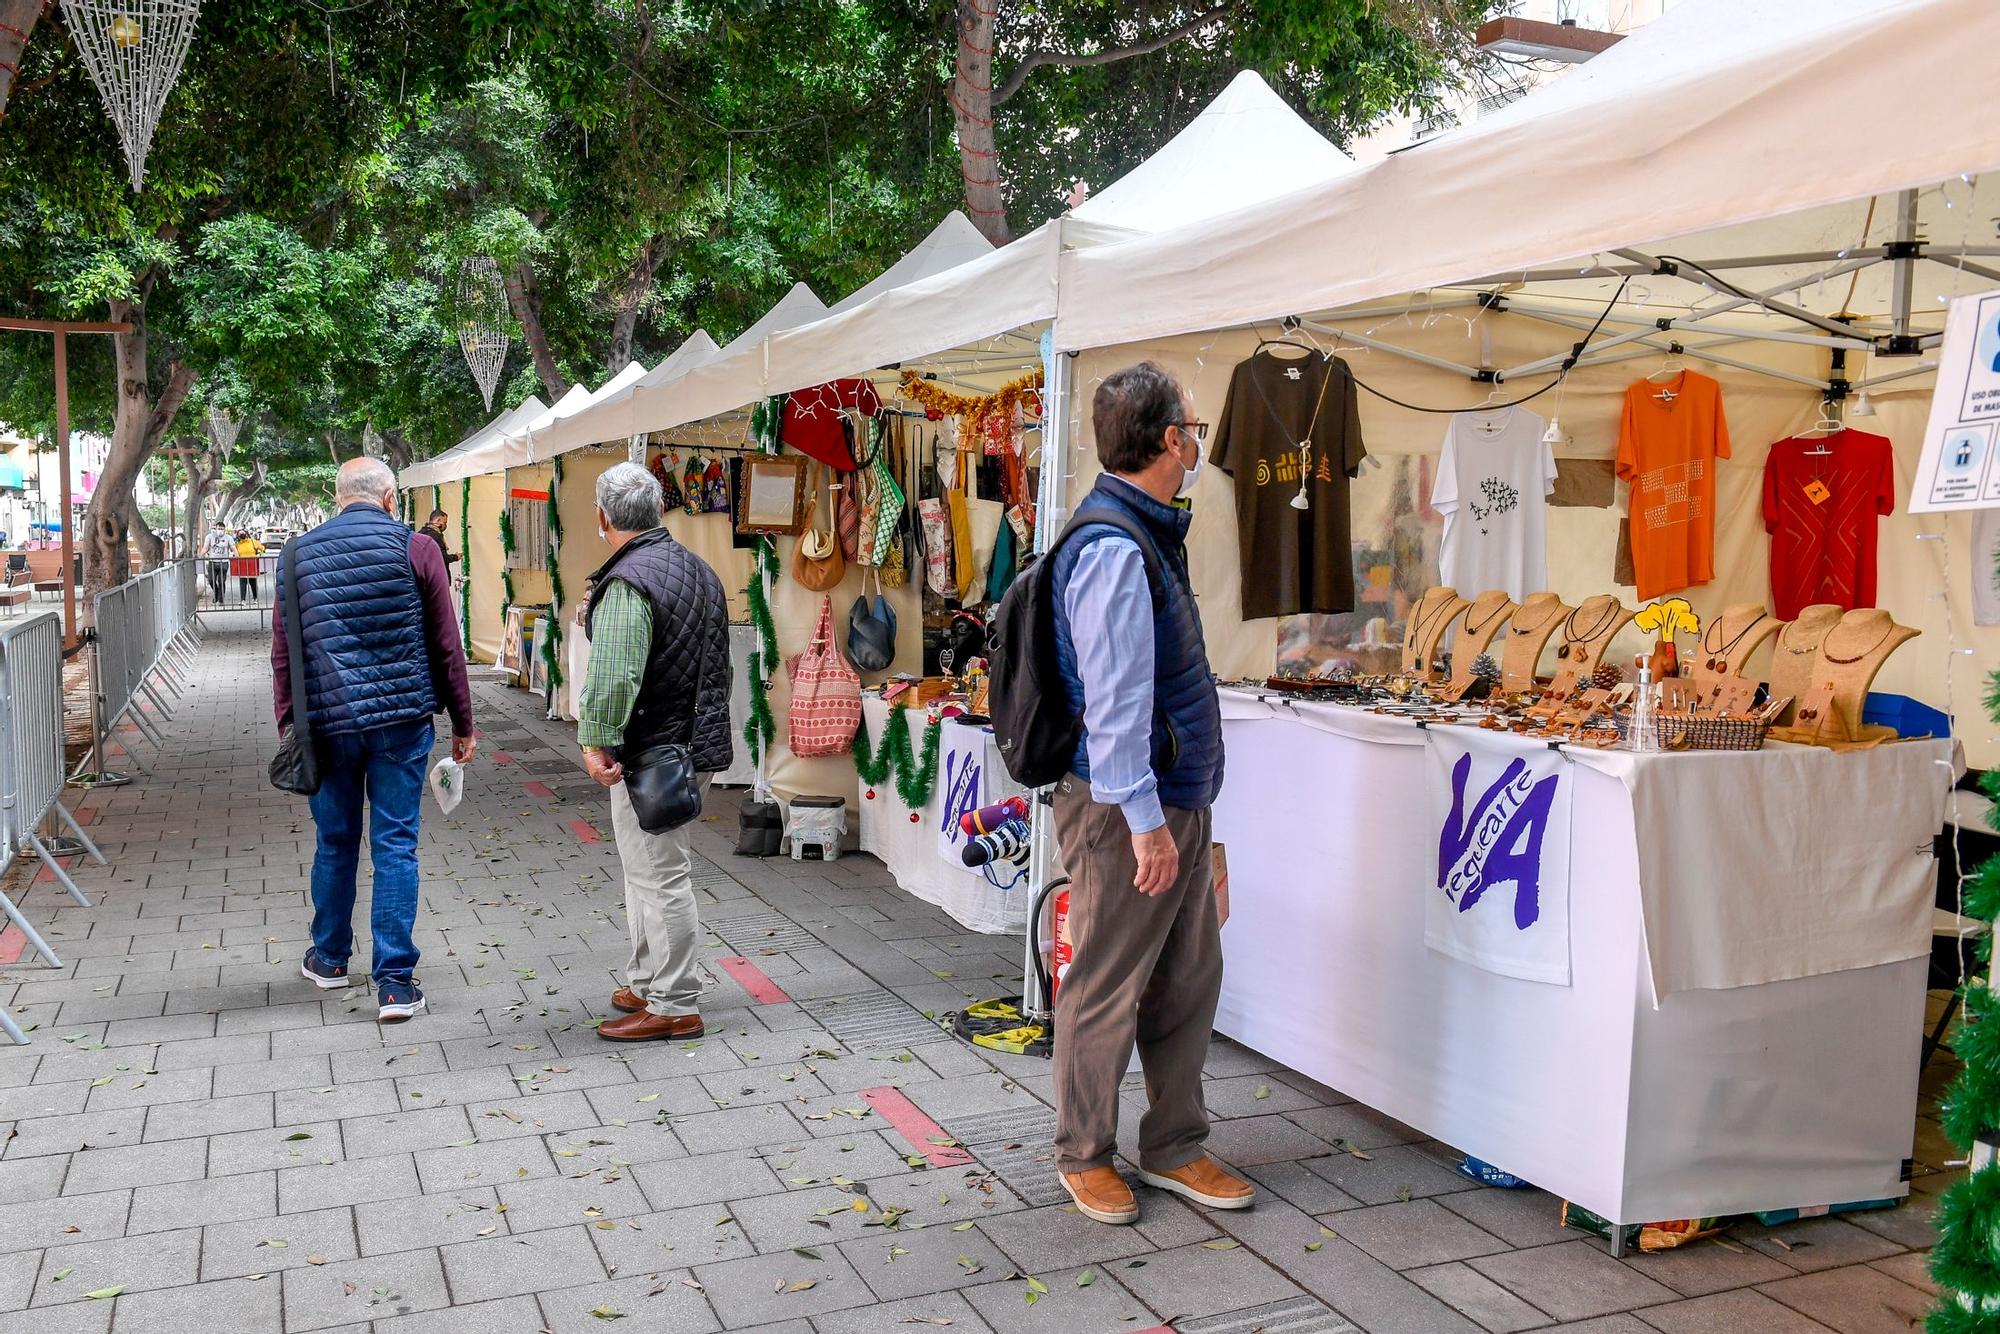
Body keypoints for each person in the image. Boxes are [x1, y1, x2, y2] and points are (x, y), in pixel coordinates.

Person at [1045, 361, 1249, 1225]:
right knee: (1106, 983)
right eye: (1194, 427)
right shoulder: (1115, 547)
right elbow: (1116, 704)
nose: (1198, 441)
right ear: (1172, 440)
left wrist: (1193, 821)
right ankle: (1084, 1154)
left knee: (1188, 977)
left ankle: (1173, 1144)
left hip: (1170, 804)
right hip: (1130, 810)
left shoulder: (1146, 533)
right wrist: (1147, 827)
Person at [272, 458, 477, 1023]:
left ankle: (331, 959)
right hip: (402, 722)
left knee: (334, 842)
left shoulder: (295, 555)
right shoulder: (418, 548)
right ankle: (393, 984)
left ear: (338, 498)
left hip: (327, 725)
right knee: (395, 844)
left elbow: (284, 649)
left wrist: (288, 722)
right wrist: (463, 722)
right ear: (390, 499)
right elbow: (446, 644)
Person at [577, 462, 731, 1042]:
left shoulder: (629, 581)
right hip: (695, 739)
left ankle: (673, 1000)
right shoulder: (698, 569)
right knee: (648, 870)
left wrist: (595, 742)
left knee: (660, 874)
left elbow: (614, 678)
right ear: (659, 511)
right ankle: (647, 980)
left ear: (603, 517)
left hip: (657, 748)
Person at [232, 529, 266, 602]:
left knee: (253, 582)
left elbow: (262, 548)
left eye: (243, 533)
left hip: (252, 565)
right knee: (243, 583)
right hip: (242, 566)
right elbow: (234, 553)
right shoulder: (237, 544)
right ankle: (243, 600)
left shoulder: (253, 542)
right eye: (240, 534)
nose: (242, 535)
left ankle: (255, 598)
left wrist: (259, 553)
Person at [203, 526, 231, 604]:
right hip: (212, 562)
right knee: (211, 580)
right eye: (218, 528)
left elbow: (233, 547)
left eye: (222, 529)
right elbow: (205, 548)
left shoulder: (228, 537)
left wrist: (237, 557)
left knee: (221, 581)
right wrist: (200, 556)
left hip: (223, 562)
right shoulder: (209, 537)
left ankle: (221, 599)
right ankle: (216, 593)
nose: (219, 530)